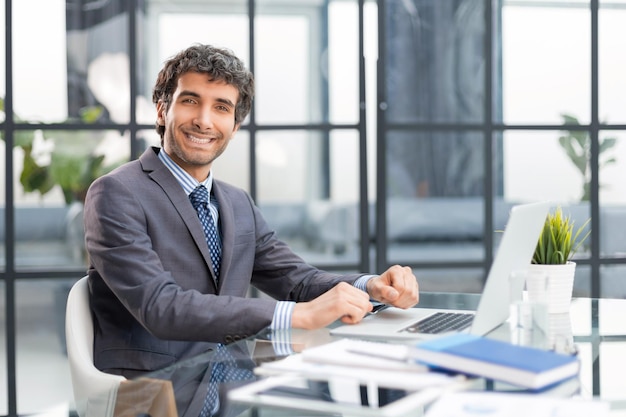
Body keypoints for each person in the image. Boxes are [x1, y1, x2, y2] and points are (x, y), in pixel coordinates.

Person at [83, 43, 420, 379]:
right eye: (190, 101)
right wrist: (296, 316)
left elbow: (298, 282)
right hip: (149, 392)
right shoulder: (116, 193)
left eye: (221, 108)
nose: (204, 121)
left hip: (231, 387)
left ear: (235, 125)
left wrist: (371, 286)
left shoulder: (237, 202)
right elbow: (161, 307)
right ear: (162, 110)